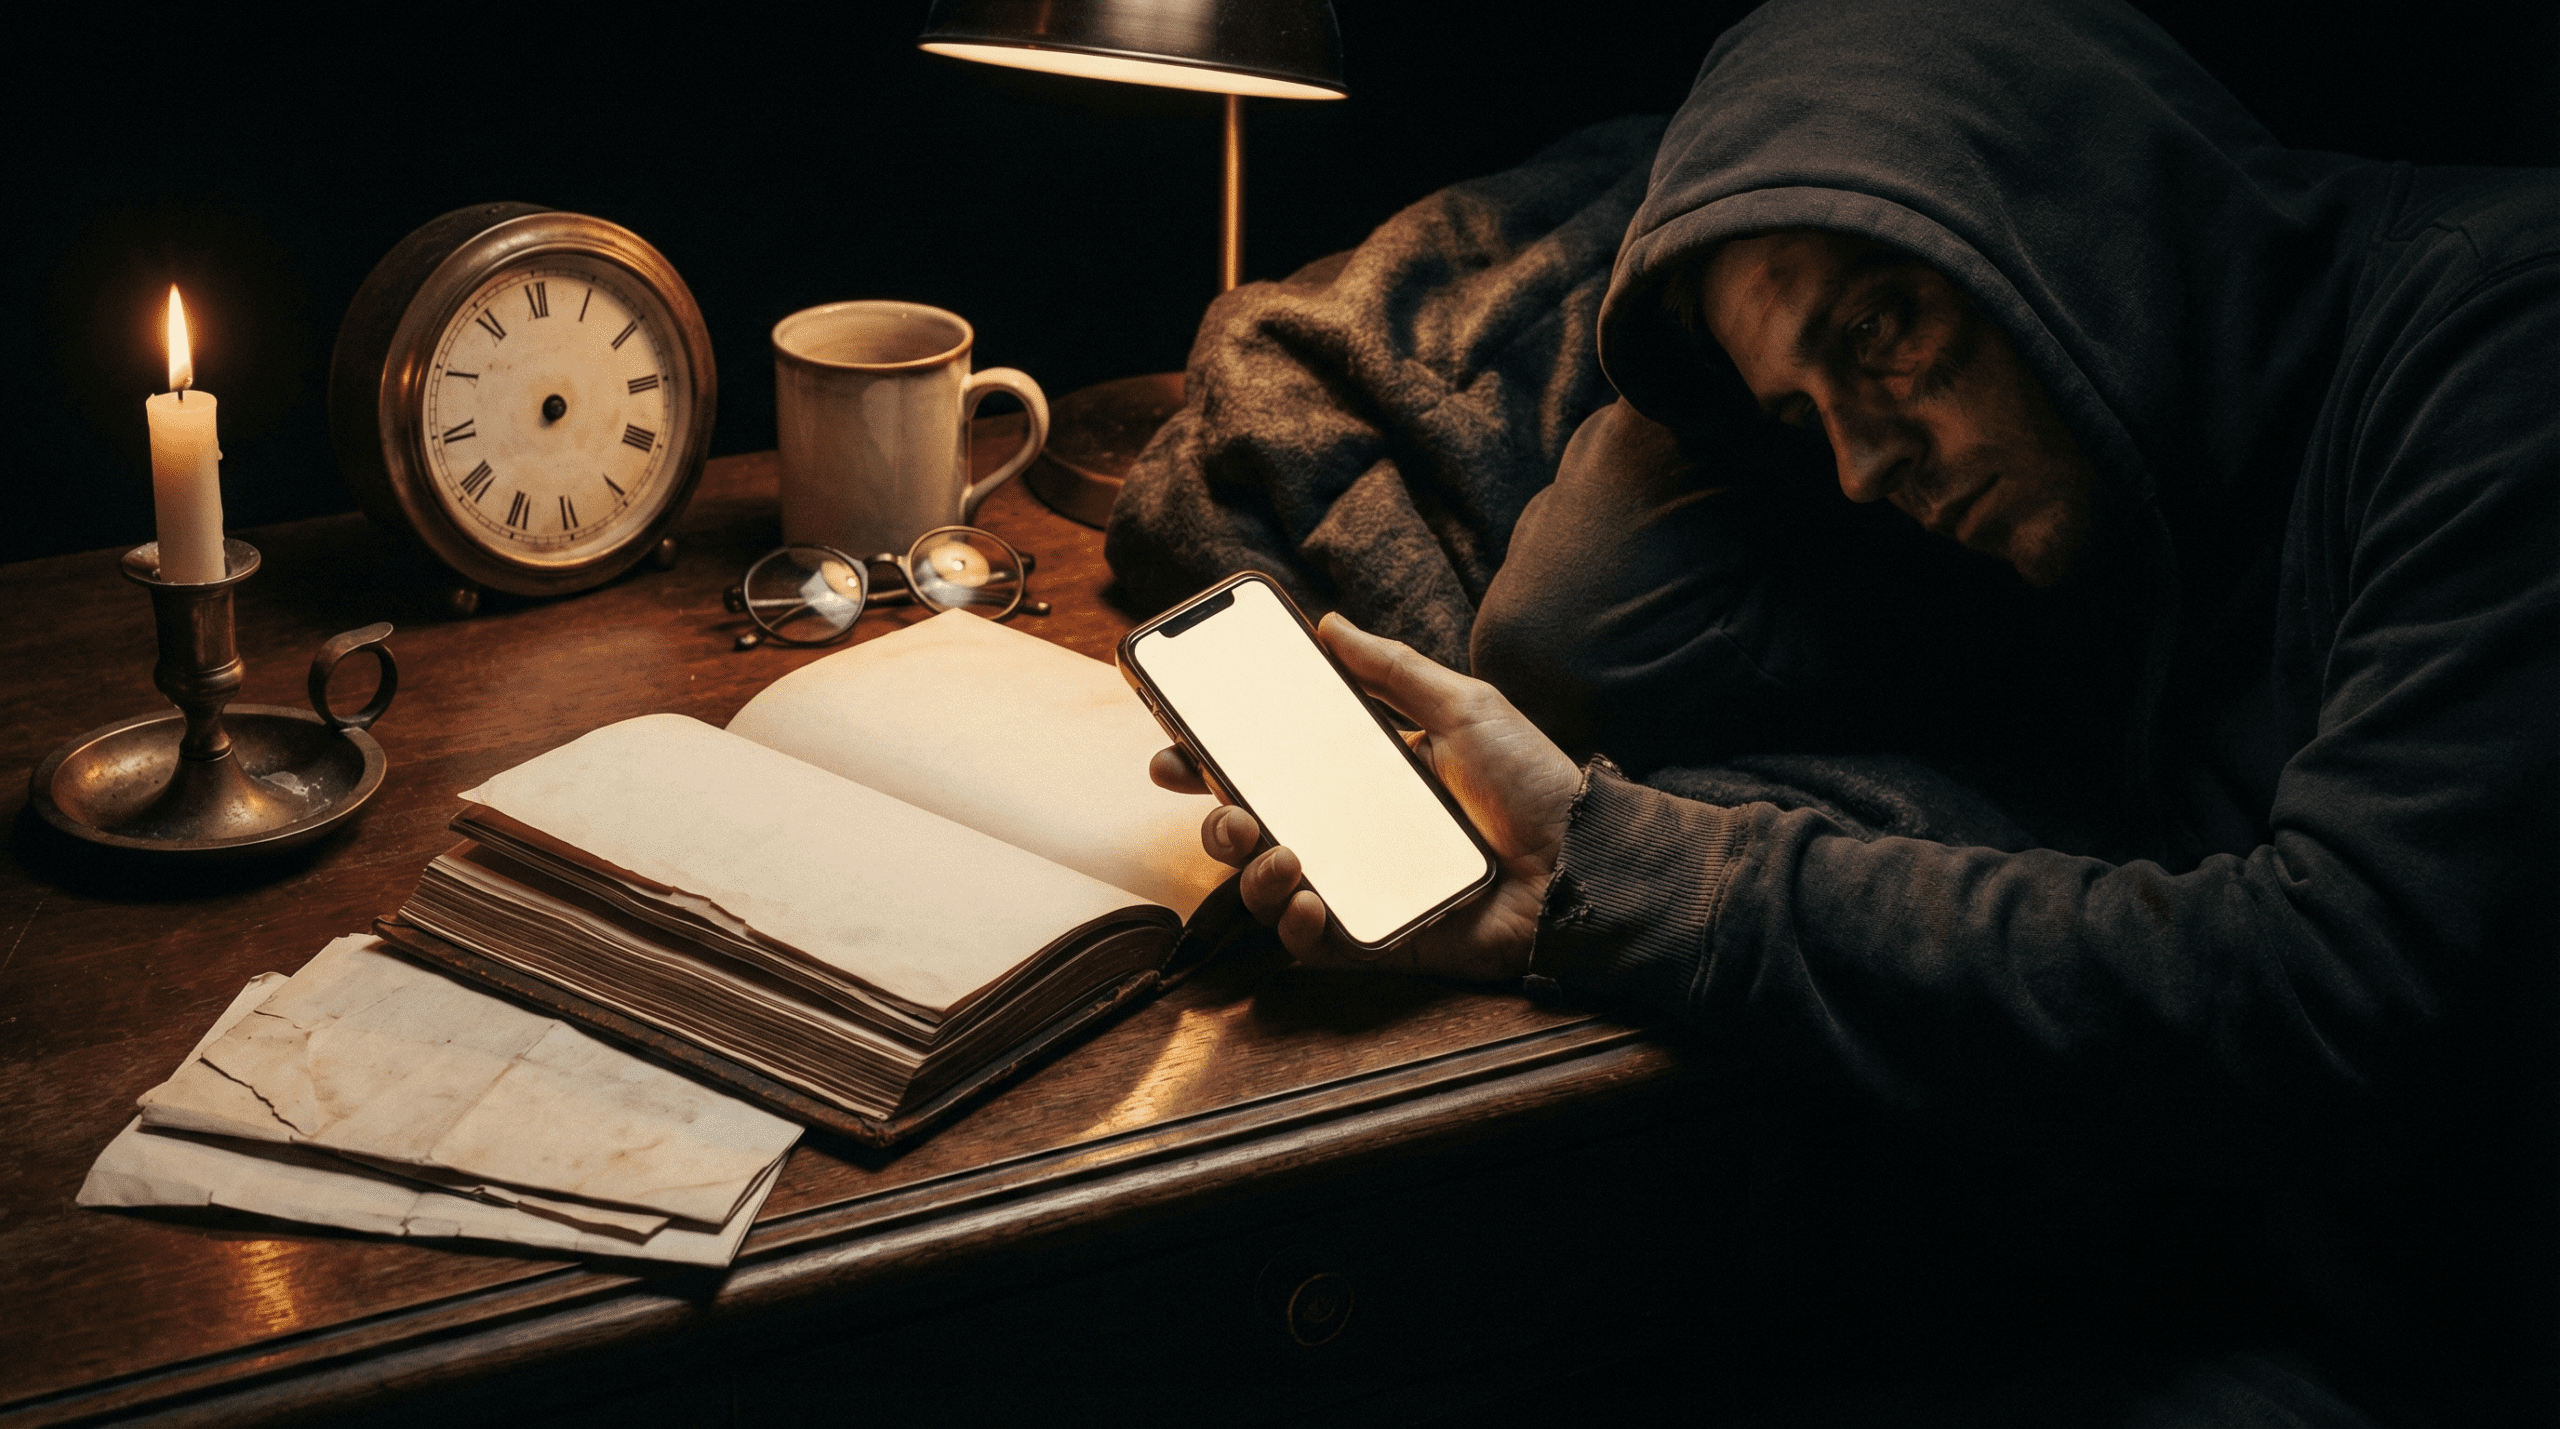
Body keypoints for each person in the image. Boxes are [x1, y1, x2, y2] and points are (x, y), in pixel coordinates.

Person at [1150, 0, 2557, 1420]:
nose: (1861, 472)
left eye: (1884, 327)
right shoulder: (2105, 474)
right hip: (2204, 1251)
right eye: (1792, 419)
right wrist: (1777, 323)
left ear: (2072, 195)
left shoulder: (2509, 340)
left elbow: (2331, 999)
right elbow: (1583, 627)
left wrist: (1627, 875)